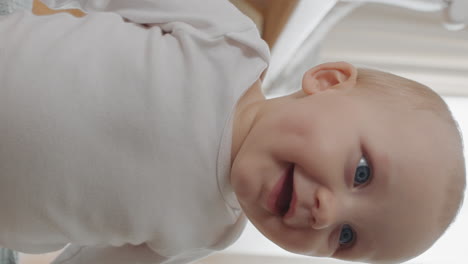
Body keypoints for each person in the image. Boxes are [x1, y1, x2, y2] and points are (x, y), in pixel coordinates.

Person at [0, 1, 465, 264]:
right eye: (362, 173)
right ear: (326, 82)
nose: (327, 214)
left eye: (346, 238)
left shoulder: (206, 232)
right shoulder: (228, 45)